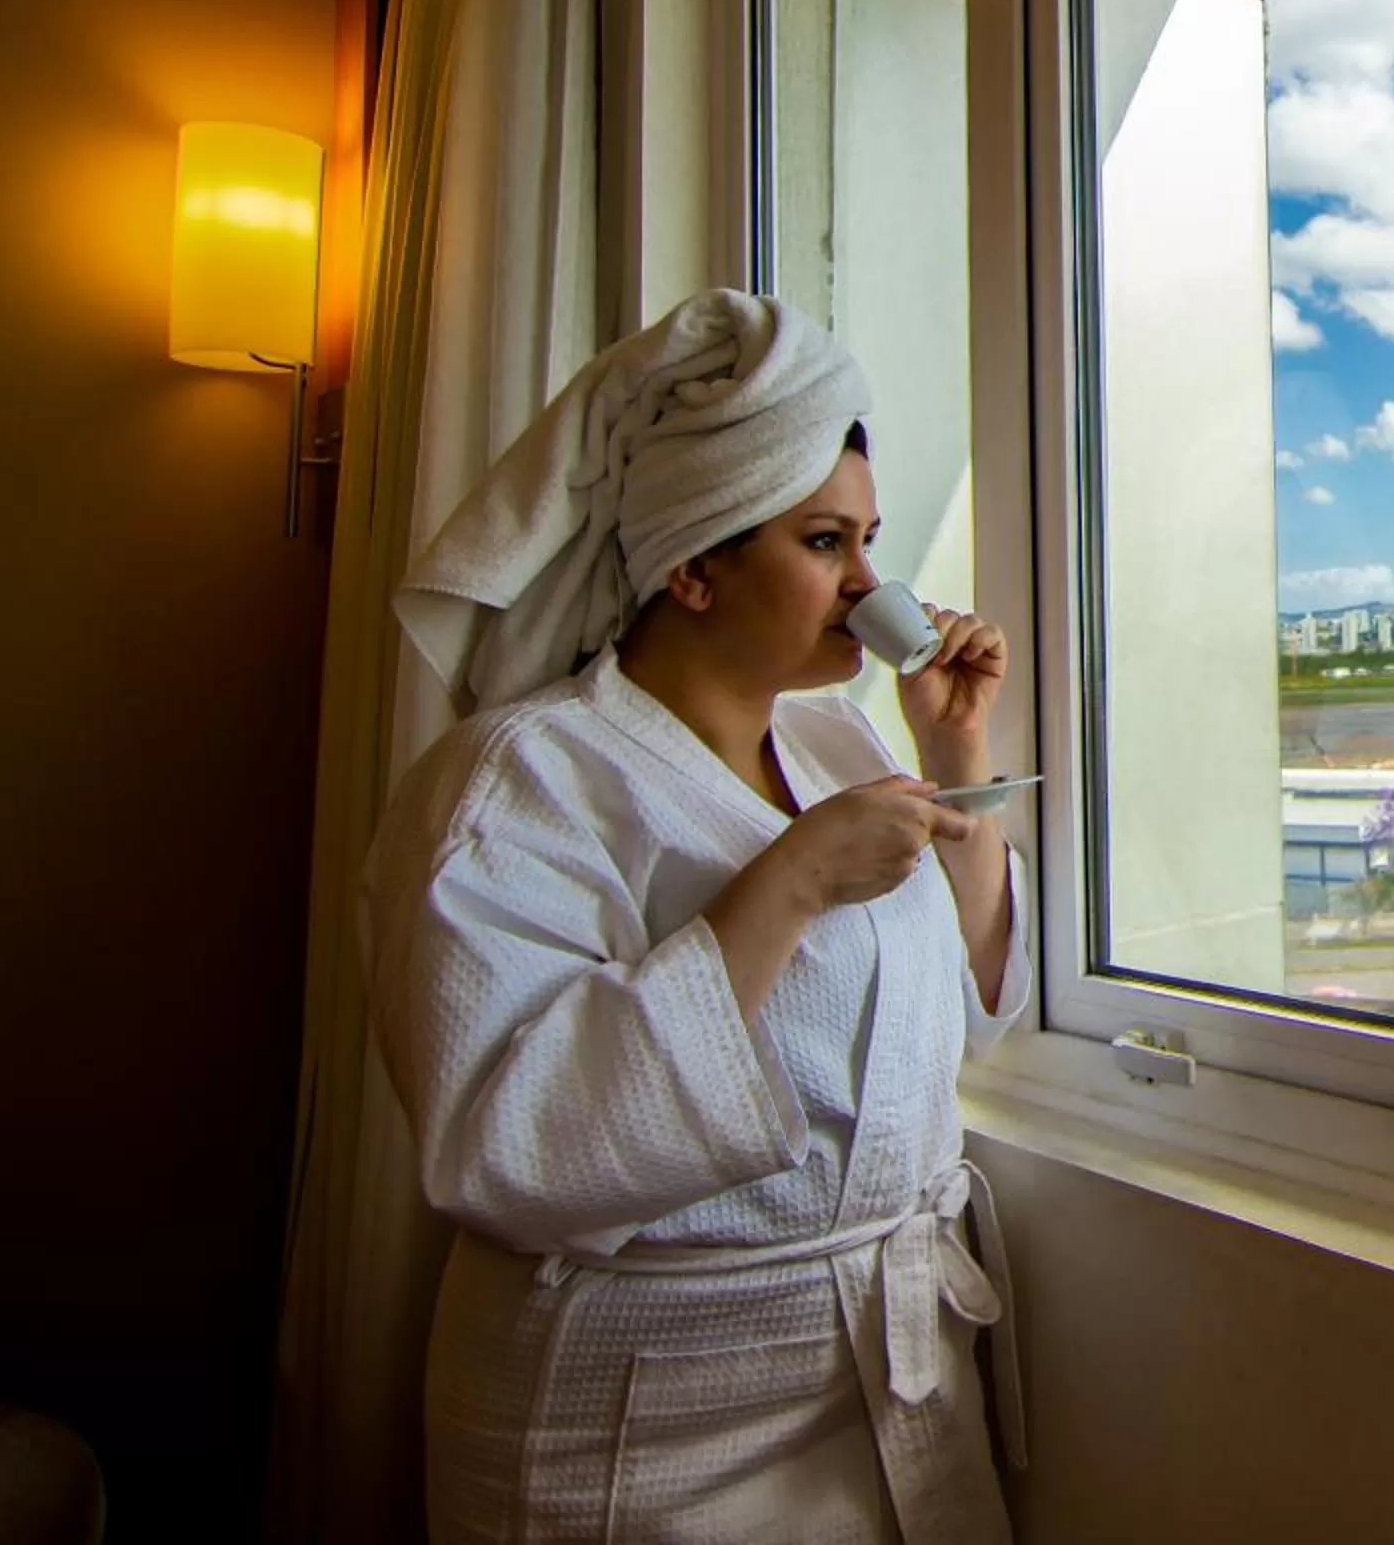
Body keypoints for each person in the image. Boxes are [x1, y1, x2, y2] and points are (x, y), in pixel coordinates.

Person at [365, 290, 1030, 1543]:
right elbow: (503, 1143)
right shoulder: (517, 781)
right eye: (825, 542)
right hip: (637, 1412)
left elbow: (970, 1014)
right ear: (692, 563)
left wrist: (956, 756)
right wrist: (785, 884)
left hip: (886, 1384)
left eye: (870, 542)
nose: (868, 585)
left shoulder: (836, 743)